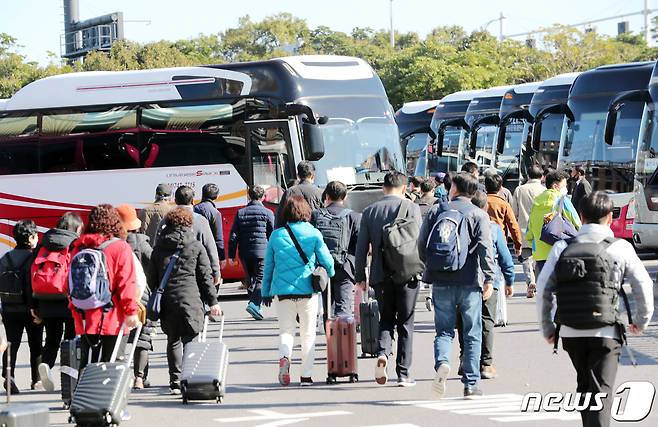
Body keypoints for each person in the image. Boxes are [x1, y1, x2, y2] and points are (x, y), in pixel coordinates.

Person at [537, 192, 654, 427]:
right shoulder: (620, 247)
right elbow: (643, 284)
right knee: (602, 392)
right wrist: (641, 321)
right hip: (606, 332)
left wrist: (548, 327)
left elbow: (543, 288)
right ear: (610, 217)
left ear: (581, 216)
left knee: (585, 387)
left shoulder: (562, 246)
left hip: (570, 331)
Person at [418, 172, 497, 399]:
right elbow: (485, 248)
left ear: (454, 188)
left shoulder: (437, 210)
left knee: (443, 330)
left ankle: (442, 362)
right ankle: (471, 384)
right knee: (472, 332)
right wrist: (489, 278)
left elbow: (422, 244)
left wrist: (432, 265)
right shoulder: (478, 214)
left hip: (441, 280)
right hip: (469, 281)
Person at [355, 171, 422, 387]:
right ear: (404, 188)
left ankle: (383, 353)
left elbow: (361, 247)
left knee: (385, 318)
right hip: (407, 273)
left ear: (383, 188)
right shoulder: (411, 208)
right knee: (405, 323)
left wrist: (360, 276)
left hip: (379, 274)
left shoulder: (369, 211)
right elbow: (419, 242)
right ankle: (403, 373)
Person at [147, 207, 222, 394]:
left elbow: (152, 279)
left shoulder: (158, 248)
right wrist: (213, 301)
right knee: (191, 340)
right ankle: (190, 379)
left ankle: (174, 381)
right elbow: (205, 277)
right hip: (191, 299)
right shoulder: (196, 246)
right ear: (188, 224)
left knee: (173, 340)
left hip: (168, 300)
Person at [262, 195, 335, 387]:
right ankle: (306, 376)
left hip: (282, 292)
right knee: (308, 334)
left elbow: (268, 266)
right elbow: (327, 261)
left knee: (286, 331)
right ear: (306, 212)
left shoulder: (276, 236)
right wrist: (332, 273)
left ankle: (285, 357)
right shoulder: (313, 234)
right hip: (307, 291)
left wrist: (265, 292)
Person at [68, 205, 140, 372]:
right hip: (112, 315)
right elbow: (126, 283)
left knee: (86, 364)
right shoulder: (120, 247)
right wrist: (131, 311)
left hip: (84, 314)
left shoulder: (79, 247)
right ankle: (103, 397)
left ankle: (82, 396)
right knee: (111, 365)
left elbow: (70, 282)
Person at [458, 191, 515, 380]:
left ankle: (465, 358)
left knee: (465, 321)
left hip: (465, 280)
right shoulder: (494, 228)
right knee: (486, 321)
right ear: (486, 208)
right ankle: (486, 363)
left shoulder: (460, 224)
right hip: (489, 281)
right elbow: (506, 258)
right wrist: (510, 280)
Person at [31, 212, 83, 392]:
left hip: (45, 299)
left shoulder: (43, 243)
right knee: (70, 341)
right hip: (68, 300)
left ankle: (45, 366)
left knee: (52, 338)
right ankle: (68, 379)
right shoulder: (75, 245)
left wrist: (34, 305)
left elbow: (30, 275)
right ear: (76, 228)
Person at [0, 220, 43, 393]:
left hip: (9, 308)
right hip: (31, 309)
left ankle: (8, 376)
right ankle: (36, 380)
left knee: (12, 343)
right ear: (31, 237)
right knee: (35, 343)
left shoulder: (5, 258)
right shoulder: (34, 259)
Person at [116, 204, 154, 390]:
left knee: (121, 337)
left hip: (119, 295)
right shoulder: (141, 242)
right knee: (143, 338)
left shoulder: (113, 243)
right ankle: (139, 377)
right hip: (141, 295)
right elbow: (153, 263)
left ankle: (119, 375)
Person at [311, 181, 361, 317]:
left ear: (326, 196)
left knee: (328, 308)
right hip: (345, 267)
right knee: (343, 307)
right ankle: (342, 335)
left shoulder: (316, 215)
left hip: (321, 268)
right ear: (344, 198)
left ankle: (330, 335)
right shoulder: (354, 217)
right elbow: (359, 246)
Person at [228, 185, 275, 321]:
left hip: (245, 252)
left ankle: (255, 305)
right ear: (263, 197)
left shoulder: (240, 213)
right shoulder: (268, 213)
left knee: (250, 279)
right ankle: (254, 304)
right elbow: (272, 234)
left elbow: (233, 236)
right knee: (261, 278)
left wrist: (231, 255)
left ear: (249, 196)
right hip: (262, 251)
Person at [157, 186, 221, 285]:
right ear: (193, 201)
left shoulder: (165, 221)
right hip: (196, 272)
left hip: (171, 274)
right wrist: (216, 272)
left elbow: (157, 248)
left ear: (175, 201)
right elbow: (210, 248)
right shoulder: (201, 221)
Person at [526, 170, 581, 278]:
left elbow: (529, 232)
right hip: (560, 253)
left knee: (543, 292)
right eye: (564, 185)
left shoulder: (536, 203)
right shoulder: (562, 200)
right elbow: (577, 223)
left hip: (540, 256)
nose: (566, 188)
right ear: (555, 186)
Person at [512, 165, 545, 298]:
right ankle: (537, 281)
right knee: (539, 258)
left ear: (528, 176)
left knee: (526, 258)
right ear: (541, 176)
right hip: (542, 230)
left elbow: (514, 212)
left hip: (524, 230)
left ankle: (530, 281)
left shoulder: (520, 190)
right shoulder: (545, 190)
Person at [275, 161, 324, 228]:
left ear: (298, 175)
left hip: (293, 232)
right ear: (312, 176)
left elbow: (280, 217)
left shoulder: (290, 191)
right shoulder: (320, 192)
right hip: (313, 231)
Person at [484, 173, 523, 256]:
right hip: (500, 241)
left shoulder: (480, 202)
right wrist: (518, 245)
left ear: (485, 186)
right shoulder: (503, 204)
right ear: (500, 187)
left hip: (483, 239)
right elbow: (513, 226)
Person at [194, 183, 227, 268]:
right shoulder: (215, 213)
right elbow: (218, 238)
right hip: (208, 253)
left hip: (193, 251)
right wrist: (222, 257)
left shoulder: (194, 209)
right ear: (216, 197)